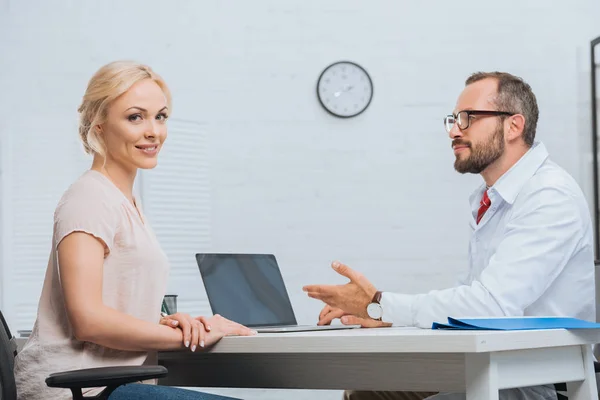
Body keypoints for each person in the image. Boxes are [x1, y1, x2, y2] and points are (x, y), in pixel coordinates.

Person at [303, 71, 595, 400]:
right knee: (364, 389)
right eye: (454, 120)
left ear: (514, 126)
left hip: (535, 382)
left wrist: (380, 305)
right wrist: (382, 315)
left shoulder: (549, 196)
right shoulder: (494, 200)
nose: (455, 131)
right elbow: (470, 305)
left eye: (468, 118)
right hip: (490, 365)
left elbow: (490, 306)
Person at [13, 60, 256, 400]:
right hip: (75, 389)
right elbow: (88, 321)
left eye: (161, 116)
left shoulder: (123, 201)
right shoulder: (89, 197)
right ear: (98, 125)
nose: (154, 131)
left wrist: (165, 322)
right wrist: (200, 334)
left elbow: (114, 299)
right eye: (135, 117)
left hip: (108, 383)